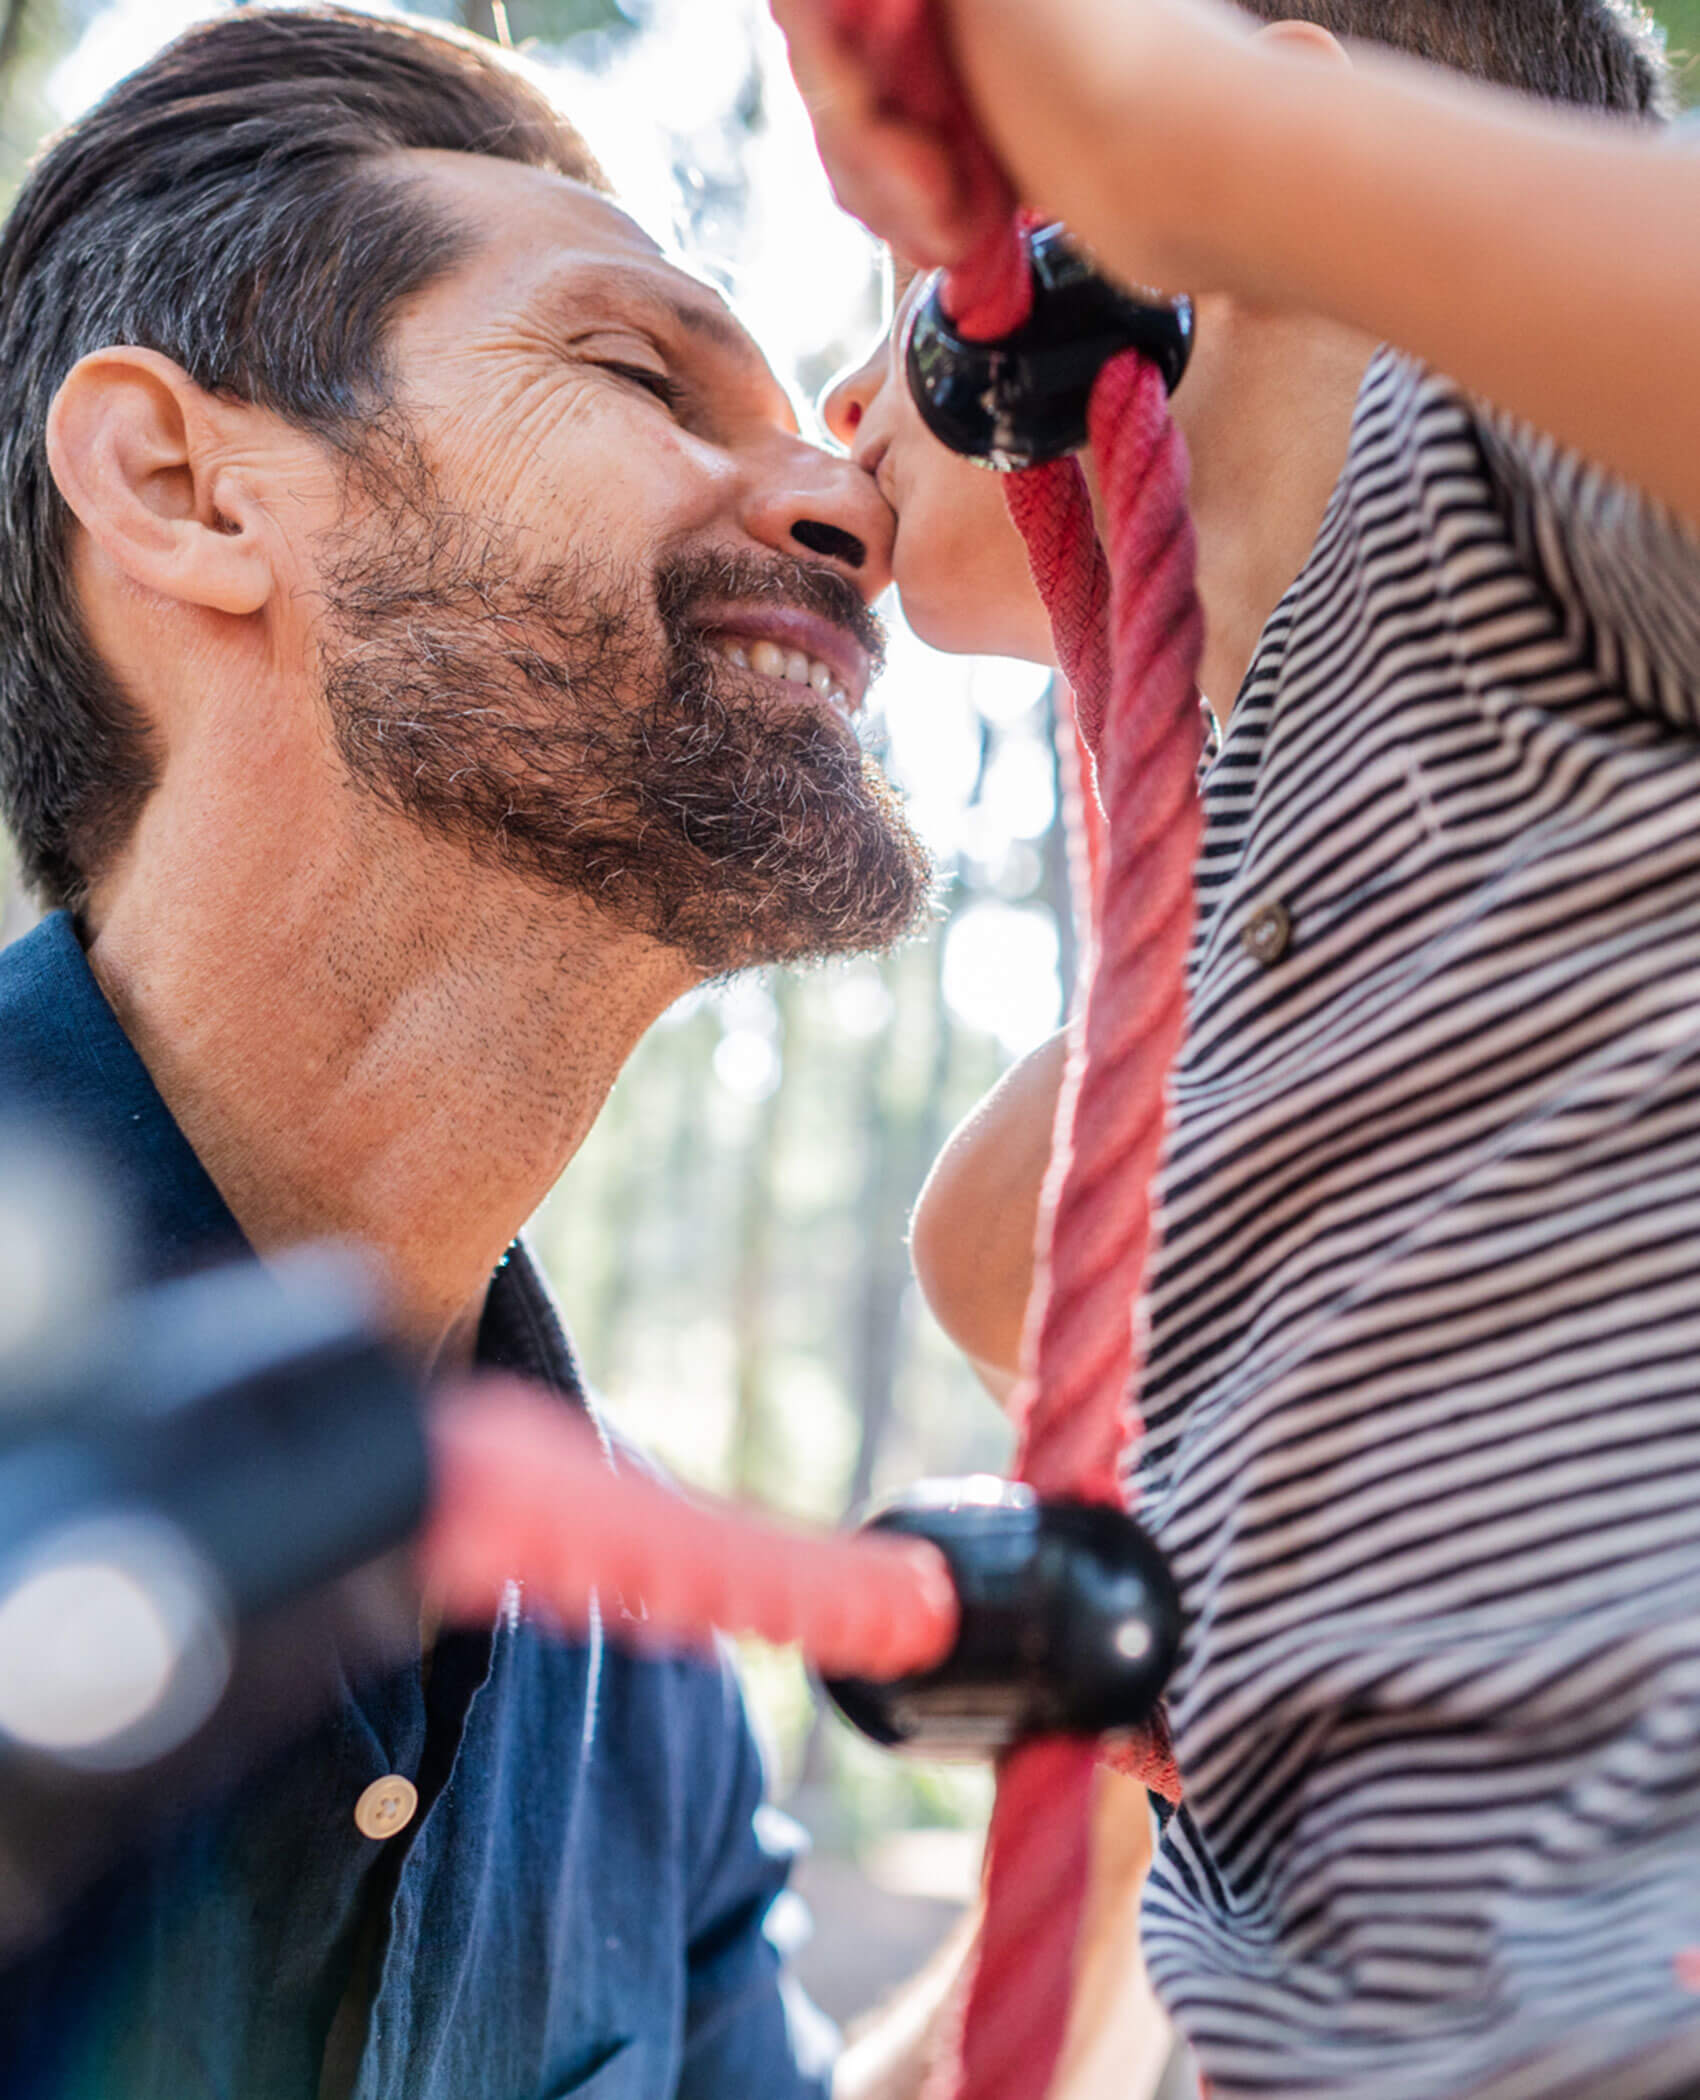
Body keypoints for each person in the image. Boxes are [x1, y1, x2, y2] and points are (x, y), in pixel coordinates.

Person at [0, 7, 941, 2095]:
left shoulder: (655, 1670)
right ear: (181, 486)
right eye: (635, 372)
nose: (848, 505)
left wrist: (1204, 1803)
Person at [779, 0, 1700, 2096]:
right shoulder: (1216, 875)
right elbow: (1004, 1262)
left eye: (918, 269)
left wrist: (1197, 137)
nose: (849, 388)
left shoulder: (1510, 473)